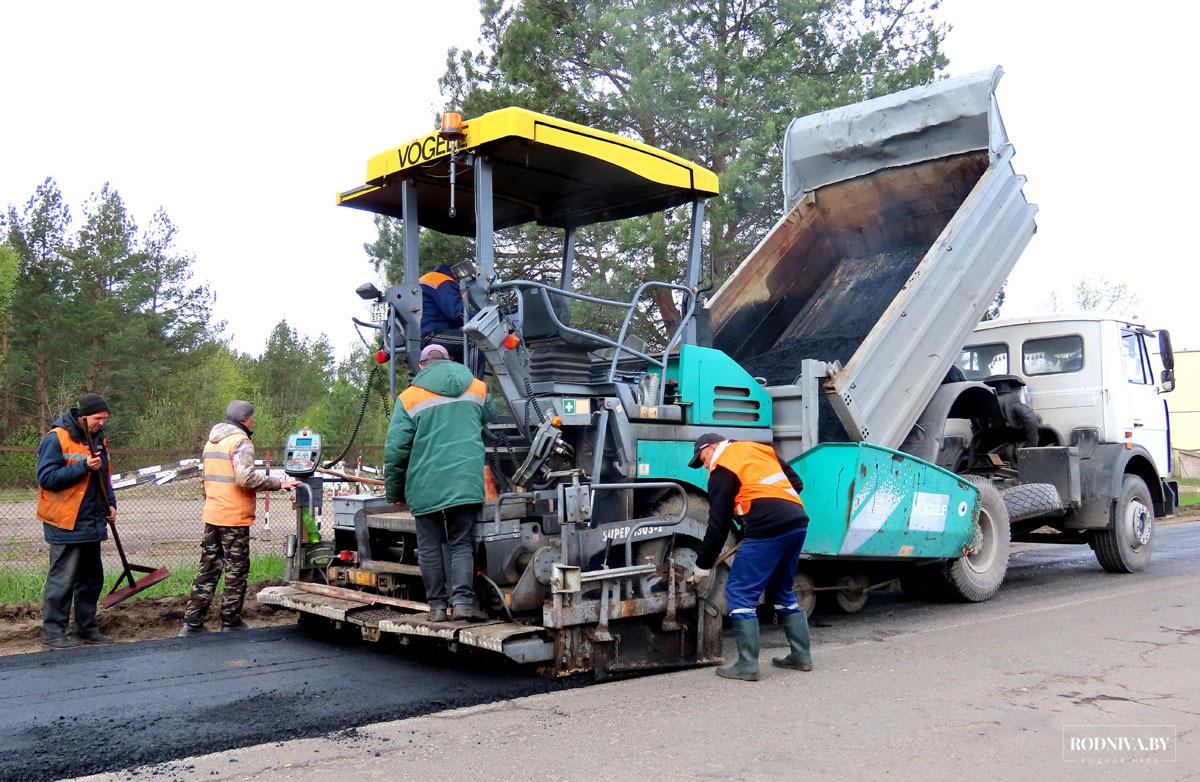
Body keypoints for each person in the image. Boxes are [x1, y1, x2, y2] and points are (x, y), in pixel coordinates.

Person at [689, 433, 813, 681]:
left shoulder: (722, 468)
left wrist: (702, 565)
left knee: (739, 592)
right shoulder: (759, 450)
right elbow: (796, 484)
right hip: (797, 522)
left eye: (703, 458)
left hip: (767, 528)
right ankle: (801, 656)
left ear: (713, 448)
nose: (704, 465)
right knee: (782, 590)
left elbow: (718, 525)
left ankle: (747, 665)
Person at [385, 343, 491, 622]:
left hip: (425, 484)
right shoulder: (477, 388)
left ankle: (437, 608)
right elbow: (491, 421)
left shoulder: (409, 397)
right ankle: (464, 604)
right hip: (465, 483)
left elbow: (396, 451)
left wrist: (395, 492)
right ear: (448, 361)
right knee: (461, 543)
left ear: (422, 366)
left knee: (430, 545)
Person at [180, 401, 298, 635]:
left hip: (213, 513)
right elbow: (245, 479)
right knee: (236, 569)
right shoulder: (241, 442)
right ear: (245, 419)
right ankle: (230, 622)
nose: (253, 422)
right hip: (234, 517)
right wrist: (279, 483)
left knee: (209, 567)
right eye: (252, 418)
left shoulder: (212, 442)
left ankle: (192, 622)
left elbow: (204, 481)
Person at [36, 393, 118, 649]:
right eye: (97, 418)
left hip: (92, 520)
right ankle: (53, 633)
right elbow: (47, 478)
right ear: (83, 416)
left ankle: (86, 628)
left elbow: (104, 476)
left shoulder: (98, 440)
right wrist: (83, 467)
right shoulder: (56, 438)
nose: (101, 423)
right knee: (62, 580)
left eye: (104, 418)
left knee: (92, 579)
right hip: (65, 521)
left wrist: (111, 504)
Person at [420, 263, 465, 361]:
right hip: (432, 334)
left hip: (417, 336)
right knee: (476, 341)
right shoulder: (444, 280)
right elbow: (456, 313)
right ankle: (472, 376)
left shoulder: (425, 279)